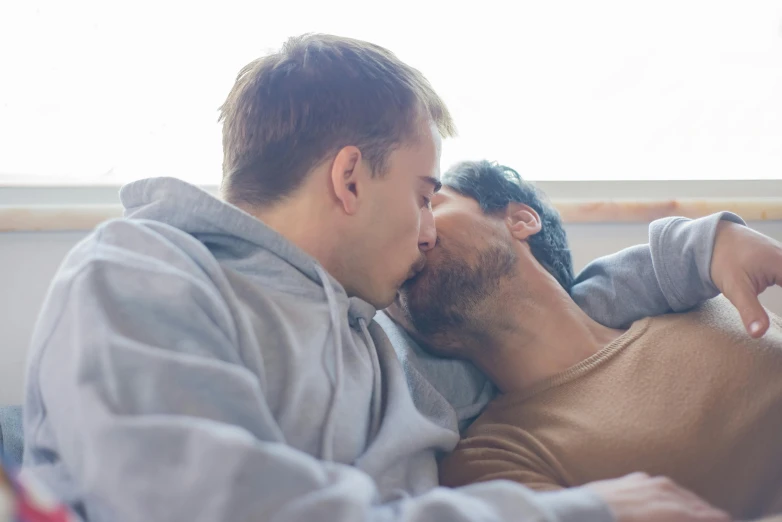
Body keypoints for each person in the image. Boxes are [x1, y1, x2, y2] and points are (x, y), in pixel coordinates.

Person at [20, 34, 781, 522]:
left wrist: (697, 243)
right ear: (351, 178)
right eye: (423, 194)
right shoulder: (143, 271)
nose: (424, 233)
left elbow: (542, 319)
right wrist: (582, 512)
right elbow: (199, 502)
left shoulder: (396, 348)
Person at [388, 160, 782, 520]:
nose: (413, 235)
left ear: (520, 220)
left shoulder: (695, 296)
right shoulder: (489, 462)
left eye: (430, 204)